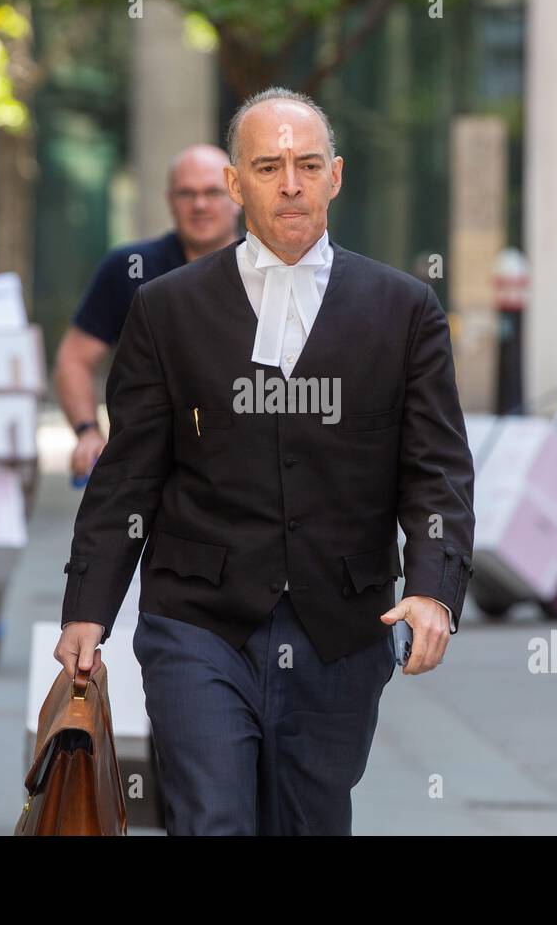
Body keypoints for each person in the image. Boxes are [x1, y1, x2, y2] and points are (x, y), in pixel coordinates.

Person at [53, 88, 475, 835]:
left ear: (335, 177)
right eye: (269, 166)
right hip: (198, 620)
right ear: (235, 183)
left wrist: (434, 588)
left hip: (341, 626)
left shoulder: (403, 310)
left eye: (308, 165)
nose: (290, 184)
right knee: (212, 818)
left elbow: (436, 468)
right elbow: (130, 473)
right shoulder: (168, 308)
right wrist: (89, 605)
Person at [55, 144, 241, 480]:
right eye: (187, 193)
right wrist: (87, 432)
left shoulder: (271, 270)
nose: (200, 204)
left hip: (242, 467)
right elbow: (74, 358)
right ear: (170, 200)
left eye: (212, 192)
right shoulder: (128, 267)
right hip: (144, 467)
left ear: (237, 195)